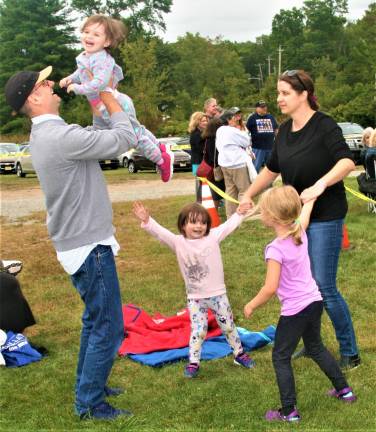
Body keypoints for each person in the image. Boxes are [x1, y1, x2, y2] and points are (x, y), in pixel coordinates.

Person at [5, 65, 135, 420]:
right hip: (88, 245)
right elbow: (125, 138)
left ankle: (89, 385)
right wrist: (108, 95)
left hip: (78, 242)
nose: (51, 84)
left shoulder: (52, 135)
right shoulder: (59, 137)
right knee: (108, 325)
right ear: (34, 97)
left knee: (95, 321)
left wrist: (96, 110)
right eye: (43, 83)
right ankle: (90, 403)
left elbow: (89, 143)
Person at [241, 69, 360, 370]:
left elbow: (347, 160)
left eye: (285, 93)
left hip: (325, 216)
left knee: (322, 284)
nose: (278, 98)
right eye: (278, 92)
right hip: (295, 218)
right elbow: (271, 169)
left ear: (304, 94)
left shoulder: (324, 125)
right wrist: (248, 194)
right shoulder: (284, 130)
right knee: (302, 285)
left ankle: (350, 351)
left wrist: (321, 184)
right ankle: (312, 344)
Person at [244, 185, 357, 423]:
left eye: (263, 210)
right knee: (315, 347)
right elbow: (304, 214)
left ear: (273, 218)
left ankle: (289, 411)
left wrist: (252, 305)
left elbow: (270, 287)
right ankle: (344, 390)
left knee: (280, 357)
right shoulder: (299, 231)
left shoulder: (275, 249)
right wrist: (311, 199)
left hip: (295, 311)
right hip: (314, 302)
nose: (261, 213)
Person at [133, 201, 255, 378]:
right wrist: (147, 220)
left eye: (203, 222)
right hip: (196, 298)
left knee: (228, 326)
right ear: (183, 225)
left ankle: (239, 354)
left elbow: (229, 226)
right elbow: (160, 233)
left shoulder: (213, 237)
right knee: (198, 330)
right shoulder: (177, 242)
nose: (199, 226)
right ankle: (194, 362)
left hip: (219, 296)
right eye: (193, 222)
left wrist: (239, 213)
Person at [59, 14, 173, 182]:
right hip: (102, 106)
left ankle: (162, 160)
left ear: (106, 42)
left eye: (96, 34)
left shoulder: (103, 60)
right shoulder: (87, 56)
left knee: (134, 138)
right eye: (86, 31)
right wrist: (71, 78)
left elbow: (99, 82)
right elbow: (81, 72)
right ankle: (159, 146)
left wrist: (78, 88)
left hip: (113, 104)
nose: (89, 36)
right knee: (132, 129)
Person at [216, 109, 252, 219]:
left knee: (230, 190)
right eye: (233, 118)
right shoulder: (232, 130)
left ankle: (230, 216)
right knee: (243, 190)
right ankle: (242, 215)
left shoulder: (220, 130)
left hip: (224, 163)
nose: (235, 120)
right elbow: (246, 141)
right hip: (237, 163)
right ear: (228, 120)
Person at [246, 100, 278, 173]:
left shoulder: (270, 117)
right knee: (255, 167)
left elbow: (276, 129)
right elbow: (246, 131)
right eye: (262, 107)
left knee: (271, 168)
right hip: (257, 148)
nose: (264, 108)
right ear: (257, 108)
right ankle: (254, 183)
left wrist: (278, 141)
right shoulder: (252, 118)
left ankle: (269, 184)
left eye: (265, 106)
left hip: (270, 147)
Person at [201, 117, 226, 209]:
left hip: (211, 168)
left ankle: (213, 211)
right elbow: (214, 156)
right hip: (216, 169)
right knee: (217, 193)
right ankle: (213, 212)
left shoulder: (207, 138)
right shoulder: (214, 140)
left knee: (215, 193)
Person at [188, 112, 208, 202]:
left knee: (205, 185)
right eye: (203, 121)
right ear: (197, 122)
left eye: (206, 120)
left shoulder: (202, 132)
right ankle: (200, 203)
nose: (206, 122)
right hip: (199, 164)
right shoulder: (196, 134)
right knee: (202, 185)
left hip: (202, 163)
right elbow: (202, 149)